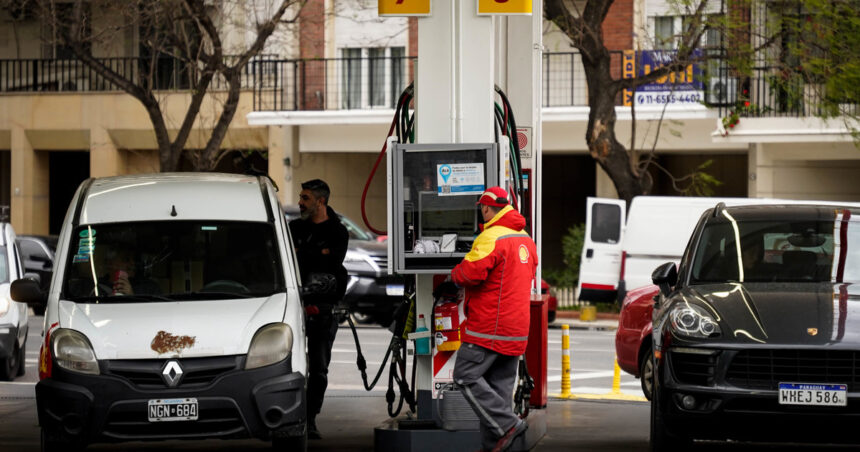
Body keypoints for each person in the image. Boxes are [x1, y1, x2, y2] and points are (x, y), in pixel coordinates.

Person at [450, 186, 538, 452]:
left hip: (489, 327)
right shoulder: (526, 239)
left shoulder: (491, 237)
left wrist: (452, 275)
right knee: (499, 390)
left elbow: (468, 273)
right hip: (517, 329)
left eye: (482, 208)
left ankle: (509, 426)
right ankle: (496, 445)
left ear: (486, 208)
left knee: (465, 376)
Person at [288, 179, 348, 440]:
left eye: (305, 198)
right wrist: (318, 252)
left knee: (319, 366)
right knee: (287, 364)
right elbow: (289, 258)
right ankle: (288, 415)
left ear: (320, 201)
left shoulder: (338, 231)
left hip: (324, 308)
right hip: (292, 305)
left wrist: (305, 252)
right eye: (301, 198)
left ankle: (310, 418)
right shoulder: (293, 228)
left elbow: (333, 262)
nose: (300, 202)